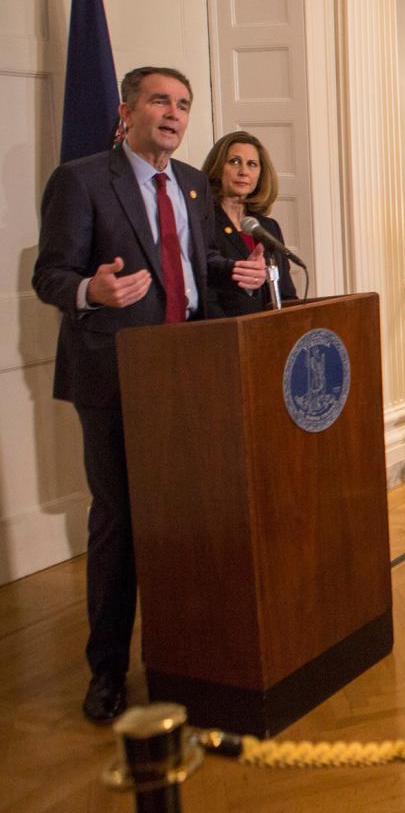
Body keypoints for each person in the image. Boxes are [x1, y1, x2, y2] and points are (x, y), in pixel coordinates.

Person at [32, 66, 262, 723]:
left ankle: (192, 656)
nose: (173, 113)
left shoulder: (192, 183)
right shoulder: (81, 180)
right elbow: (50, 273)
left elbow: (193, 268)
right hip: (115, 376)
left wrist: (234, 268)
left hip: (189, 375)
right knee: (120, 522)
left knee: (190, 519)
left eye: (184, 104)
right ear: (126, 110)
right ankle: (106, 669)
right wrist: (88, 291)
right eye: (160, 100)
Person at [201, 131, 297, 316]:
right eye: (234, 161)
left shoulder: (269, 228)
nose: (243, 171)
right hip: (225, 332)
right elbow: (206, 291)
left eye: (252, 164)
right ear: (218, 167)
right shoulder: (203, 222)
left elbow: (286, 293)